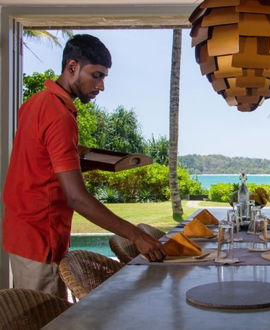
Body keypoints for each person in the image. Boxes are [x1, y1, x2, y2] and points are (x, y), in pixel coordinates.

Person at [2, 34, 166, 299]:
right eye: (96, 75)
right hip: (40, 237)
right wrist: (136, 236)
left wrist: (82, 161)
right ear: (72, 67)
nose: (101, 86)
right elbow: (76, 197)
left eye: (104, 78)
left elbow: (39, 160)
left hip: (24, 229)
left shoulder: (36, 103)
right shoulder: (58, 115)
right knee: (46, 320)